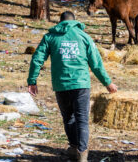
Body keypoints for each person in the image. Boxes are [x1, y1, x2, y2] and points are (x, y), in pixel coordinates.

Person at [27, 11, 118, 162]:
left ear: (60, 21)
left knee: (68, 117)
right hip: (81, 84)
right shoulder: (84, 36)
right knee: (82, 119)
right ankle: (82, 153)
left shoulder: (50, 37)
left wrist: (32, 80)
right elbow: (96, 63)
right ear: (74, 21)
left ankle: (73, 147)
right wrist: (107, 83)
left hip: (61, 84)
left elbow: (37, 58)